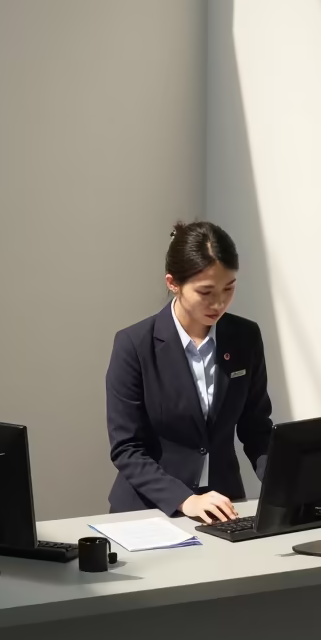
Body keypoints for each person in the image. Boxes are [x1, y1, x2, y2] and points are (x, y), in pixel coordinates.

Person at [106, 220, 272, 523]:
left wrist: (287, 488)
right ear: (173, 283)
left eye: (229, 288)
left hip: (224, 509)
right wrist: (185, 500)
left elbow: (257, 429)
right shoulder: (133, 345)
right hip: (147, 512)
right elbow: (127, 449)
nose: (219, 302)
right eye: (206, 291)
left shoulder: (245, 337)